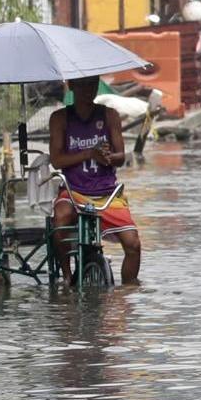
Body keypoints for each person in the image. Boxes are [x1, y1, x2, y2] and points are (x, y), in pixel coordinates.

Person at [50, 77, 143, 284]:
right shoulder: (60, 118)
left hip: (106, 193)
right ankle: (66, 277)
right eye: (82, 85)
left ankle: (128, 289)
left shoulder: (109, 115)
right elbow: (56, 161)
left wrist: (108, 157)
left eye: (92, 85)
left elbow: (121, 157)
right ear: (71, 86)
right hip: (73, 191)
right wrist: (88, 154)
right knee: (60, 220)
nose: (88, 90)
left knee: (133, 244)